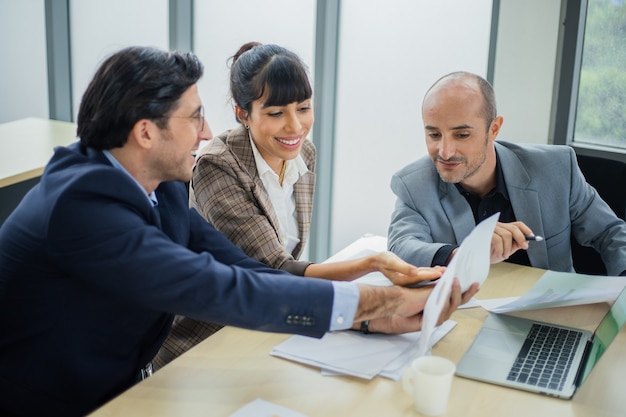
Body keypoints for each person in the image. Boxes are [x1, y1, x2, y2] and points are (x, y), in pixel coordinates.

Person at [0, 47, 478, 417]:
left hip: (120, 384)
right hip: (55, 403)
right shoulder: (82, 206)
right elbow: (212, 286)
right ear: (146, 132)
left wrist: (367, 319)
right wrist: (381, 301)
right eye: (194, 117)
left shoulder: (156, 185)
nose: (206, 133)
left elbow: (240, 265)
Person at [153, 42, 447, 367]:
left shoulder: (302, 154)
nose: (295, 126)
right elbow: (272, 268)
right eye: (276, 113)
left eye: (303, 108)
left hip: (274, 322)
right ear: (243, 114)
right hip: (212, 341)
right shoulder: (217, 165)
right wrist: (371, 266)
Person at [387, 71, 626, 276]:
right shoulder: (413, 184)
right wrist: (467, 254)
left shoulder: (557, 169)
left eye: (461, 135)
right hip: (467, 316)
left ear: (494, 129)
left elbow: (610, 233)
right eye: (434, 135)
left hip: (551, 313)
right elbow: (401, 247)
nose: (445, 152)